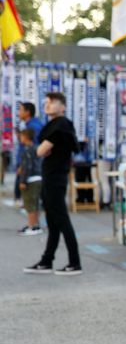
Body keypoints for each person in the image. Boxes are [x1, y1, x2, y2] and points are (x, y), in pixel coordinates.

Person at [24, 93, 82, 276]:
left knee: (62, 220)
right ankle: (46, 261)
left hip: (56, 178)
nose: (47, 105)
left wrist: (43, 149)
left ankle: (75, 262)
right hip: (49, 177)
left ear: (62, 106)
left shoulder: (62, 124)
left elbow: (40, 150)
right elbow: (42, 149)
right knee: (53, 222)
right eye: (46, 102)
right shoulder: (53, 125)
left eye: (52, 102)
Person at [13, 102, 44, 205]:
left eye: (21, 110)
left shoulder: (34, 127)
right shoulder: (29, 125)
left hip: (30, 165)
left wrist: (22, 165)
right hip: (27, 163)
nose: (19, 113)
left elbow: (33, 149)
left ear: (28, 112)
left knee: (30, 198)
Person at [16, 128, 43, 236]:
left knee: (29, 205)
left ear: (26, 137)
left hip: (30, 179)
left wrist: (23, 180)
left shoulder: (27, 150)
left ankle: (32, 227)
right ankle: (35, 225)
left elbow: (28, 166)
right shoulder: (36, 148)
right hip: (38, 178)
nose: (20, 138)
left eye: (21, 136)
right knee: (35, 203)